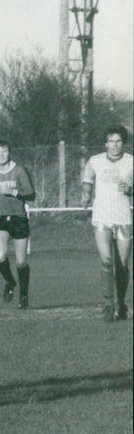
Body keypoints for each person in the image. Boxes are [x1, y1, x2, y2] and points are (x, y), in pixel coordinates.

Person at [81, 125, 133, 322]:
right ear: (105, 143)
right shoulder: (95, 161)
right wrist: (86, 194)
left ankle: (121, 303)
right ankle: (108, 305)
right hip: (101, 218)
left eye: (118, 141)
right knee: (106, 261)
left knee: (122, 265)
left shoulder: (131, 162)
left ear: (123, 142)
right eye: (111, 141)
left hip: (123, 219)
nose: (114, 145)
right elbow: (87, 180)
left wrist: (130, 189)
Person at [0, 141, 36, 309]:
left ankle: (24, 296)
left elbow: (31, 194)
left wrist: (13, 192)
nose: (1, 155)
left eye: (4, 151)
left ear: (9, 152)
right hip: (0, 219)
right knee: (0, 256)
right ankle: (10, 282)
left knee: (21, 262)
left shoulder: (19, 170)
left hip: (19, 218)